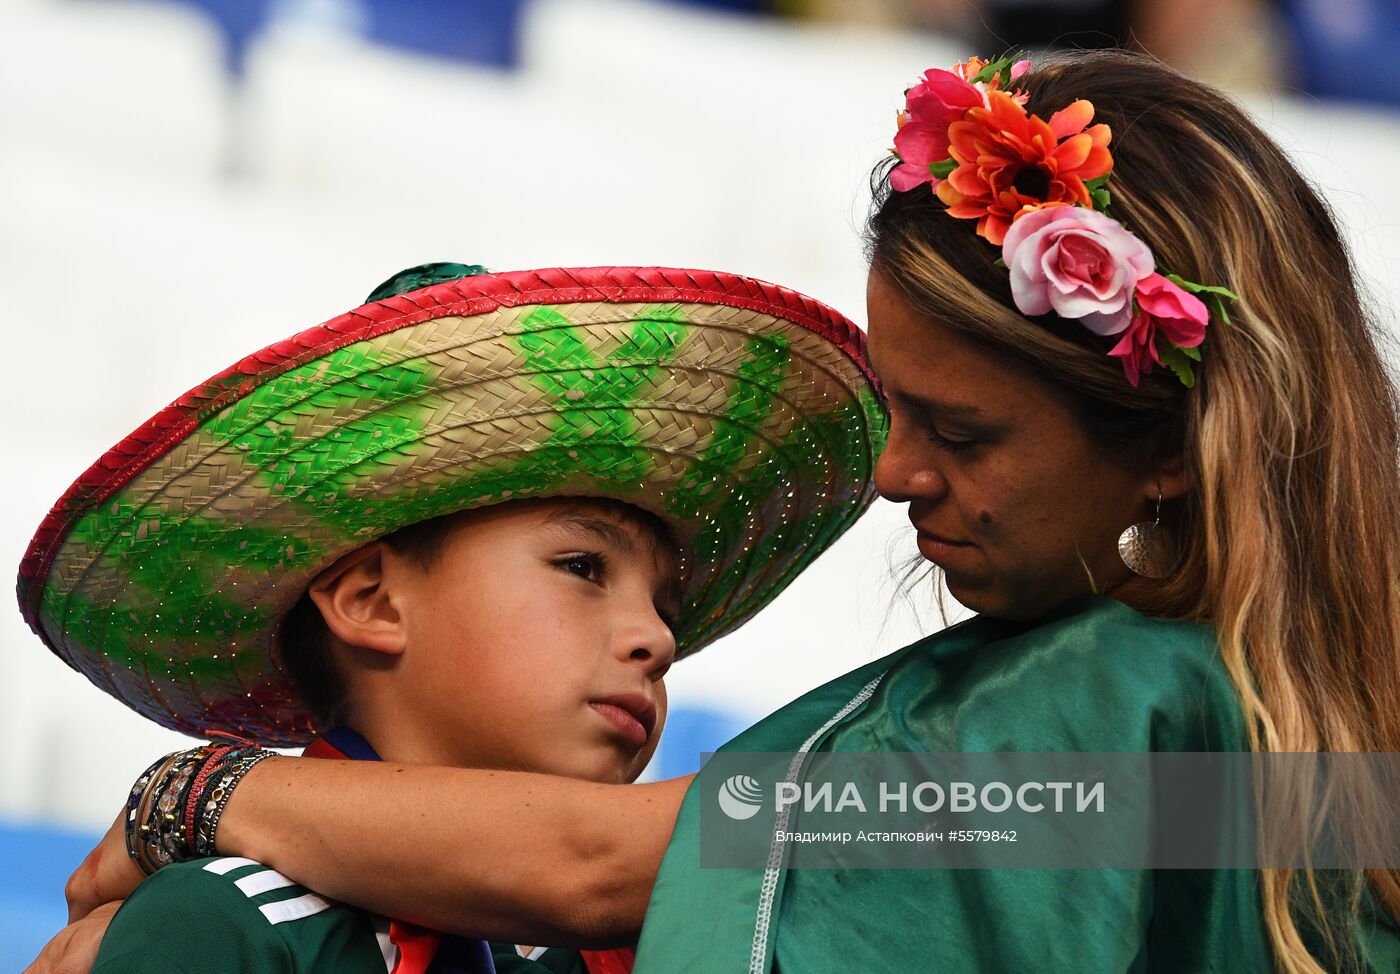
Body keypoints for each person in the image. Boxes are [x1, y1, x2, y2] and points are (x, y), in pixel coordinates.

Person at [35, 48, 1400, 973]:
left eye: (966, 430)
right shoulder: (1291, 719)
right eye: (582, 564)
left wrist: (206, 788)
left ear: (1164, 446)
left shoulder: (1143, 711)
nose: (893, 473)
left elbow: (603, 862)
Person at [17, 262, 886, 973]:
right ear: (370, 600)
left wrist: (202, 792)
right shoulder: (228, 923)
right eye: (584, 568)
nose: (657, 638)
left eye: (664, 604)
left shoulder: (655, 946)